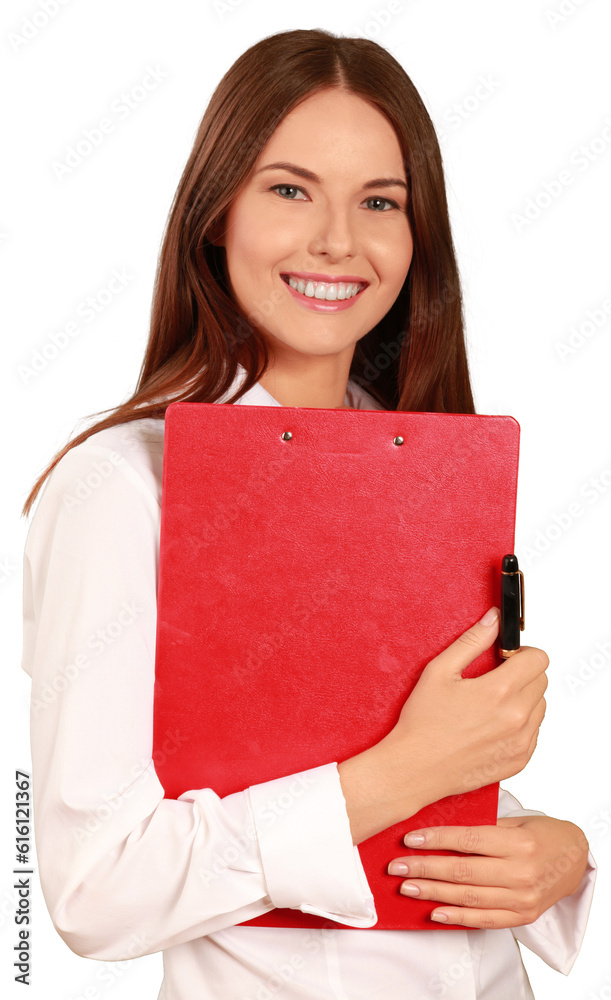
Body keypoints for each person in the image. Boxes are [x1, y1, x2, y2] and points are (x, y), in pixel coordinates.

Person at [20, 28, 595, 1000]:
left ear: (416, 241)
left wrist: (561, 858)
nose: (337, 238)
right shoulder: (120, 487)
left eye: (379, 202)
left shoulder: (430, 462)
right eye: (289, 189)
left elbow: (407, 754)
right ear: (217, 215)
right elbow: (94, 888)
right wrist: (400, 772)